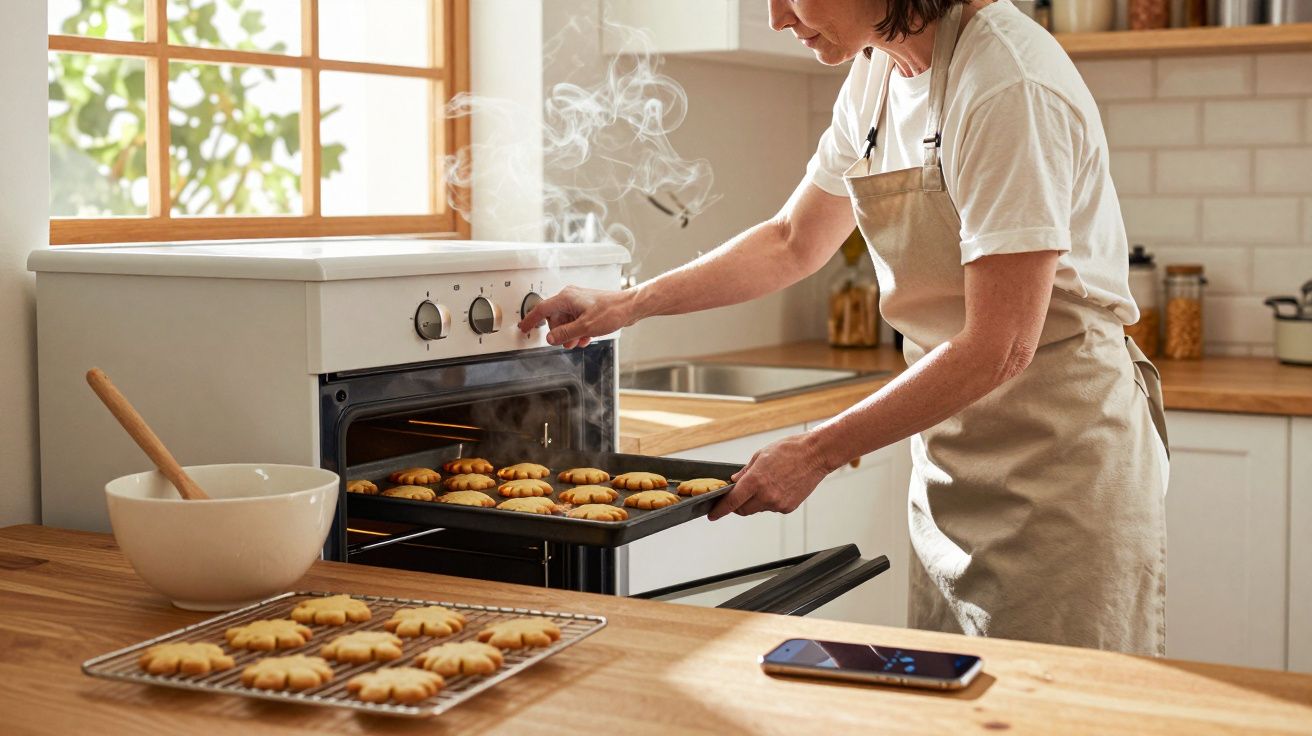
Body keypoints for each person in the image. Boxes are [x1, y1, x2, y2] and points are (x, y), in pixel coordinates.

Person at [520, 0, 1169, 655]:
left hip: (1058, 466)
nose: (776, 17)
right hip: (952, 463)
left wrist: (816, 451)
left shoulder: (1007, 84)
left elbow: (1000, 346)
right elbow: (791, 240)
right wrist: (626, 304)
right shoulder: (876, 73)